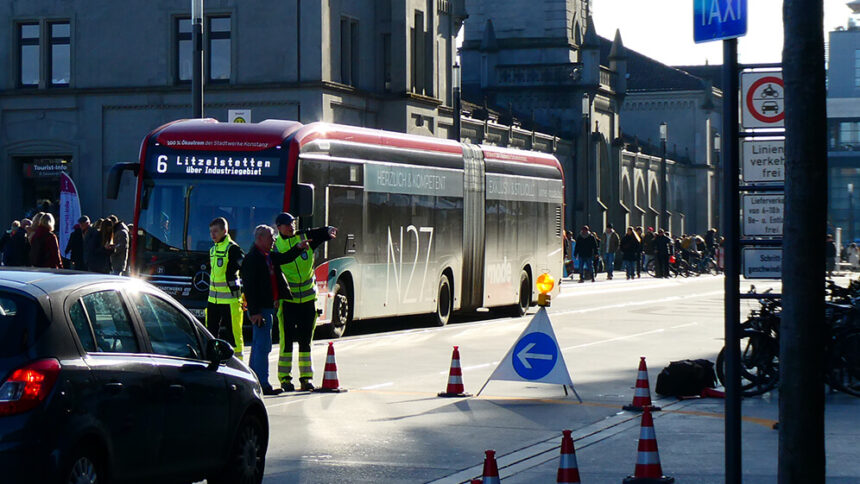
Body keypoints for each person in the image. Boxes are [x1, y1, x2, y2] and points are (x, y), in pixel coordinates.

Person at [241, 225, 309, 395]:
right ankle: (263, 383)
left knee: (259, 345)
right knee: (263, 346)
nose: (274, 240)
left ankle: (253, 380)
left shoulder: (267, 256)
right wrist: (255, 311)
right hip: (260, 309)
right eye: (271, 237)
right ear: (260, 238)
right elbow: (250, 287)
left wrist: (298, 248)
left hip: (266, 306)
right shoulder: (253, 258)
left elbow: (285, 258)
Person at [273, 212, 337, 392]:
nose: (291, 226)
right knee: (286, 342)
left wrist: (328, 231)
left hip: (308, 299)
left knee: (305, 340)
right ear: (279, 227)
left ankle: (306, 378)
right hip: (289, 301)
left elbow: (318, 234)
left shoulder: (303, 237)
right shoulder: (276, 246)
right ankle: (285, 378)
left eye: (293, 223)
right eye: (287, 224)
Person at [206, 217, 245, 360]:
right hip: (213, 300)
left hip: (229, 302)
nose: (212, 234)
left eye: (215, 231)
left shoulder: (233, 249)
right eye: (211, 232)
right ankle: (213, 360)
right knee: (210, 334)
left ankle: (238, 364)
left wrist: (243, 292)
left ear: (224, 231)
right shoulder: (212, 250)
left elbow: (244, 268)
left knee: (233, 335)